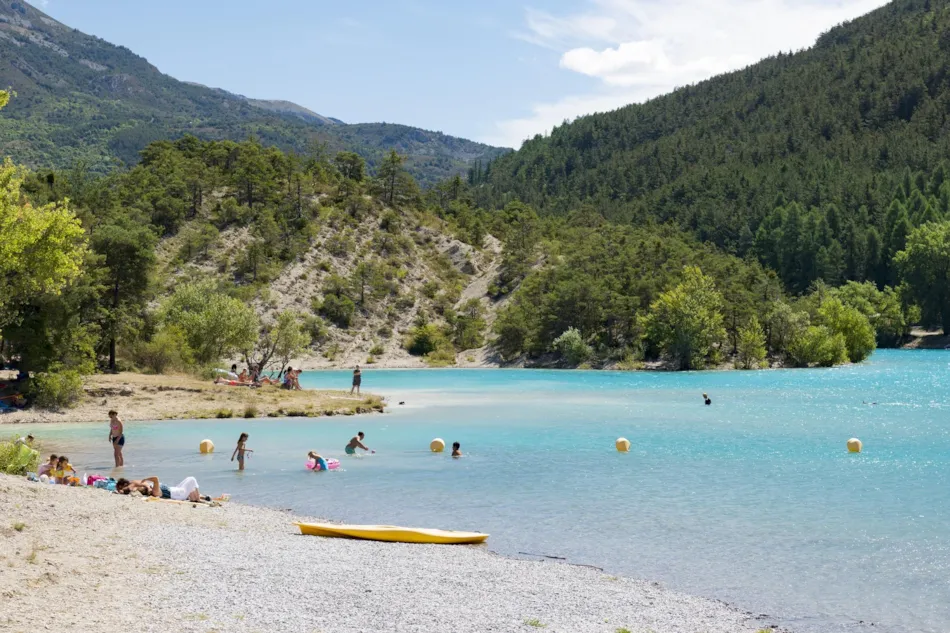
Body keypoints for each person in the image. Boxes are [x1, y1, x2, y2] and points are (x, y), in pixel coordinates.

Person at [115, 476, 206, 502]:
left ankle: (200, 497)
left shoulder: (133, 483)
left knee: (190, 481)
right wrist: (146, 480)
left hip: (174, 491)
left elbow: (146, 483)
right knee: (191, 479)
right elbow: (155, 479)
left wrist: (147, 485)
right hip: (175, 492)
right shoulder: (155, 492)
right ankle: (199, 498)